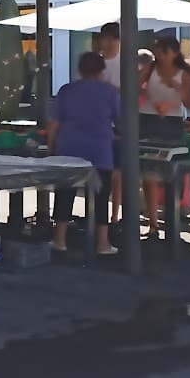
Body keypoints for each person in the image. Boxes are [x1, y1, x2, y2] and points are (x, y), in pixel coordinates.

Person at [47, 51, 120, 255]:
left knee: (64, 195)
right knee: (101, 197)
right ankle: (103, 243)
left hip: (69, 148)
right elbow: (121, 121)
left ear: (79, 69)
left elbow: (54, 123)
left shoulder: (67, 90)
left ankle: (60, 240)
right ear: (102, 70)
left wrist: (51, 147)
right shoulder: (110, 92)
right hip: (100, 150)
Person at [139, 37, 190, 237]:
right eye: (157, 53)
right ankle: (153, 222)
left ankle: (172, 219)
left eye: (164, 53)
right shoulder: (150, 68)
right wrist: (146, 93)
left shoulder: (184, 72)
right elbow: (133, 86)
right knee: (147, 170)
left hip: (172, 121)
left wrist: (175, 88)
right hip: (148, 118)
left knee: (171, 170)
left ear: (174, 53)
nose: (160, 57)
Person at [95, 22, 122, 89]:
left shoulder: (126, 63)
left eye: (115, 39)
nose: (111, 42)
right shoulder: (93, 62)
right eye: (107, 38)